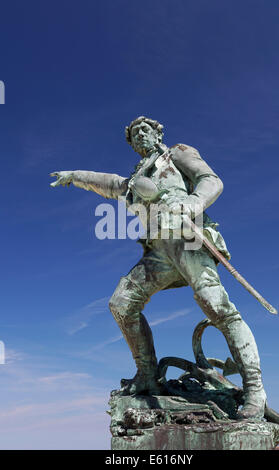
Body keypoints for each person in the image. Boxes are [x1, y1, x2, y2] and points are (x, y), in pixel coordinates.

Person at [50, 116, 266, 420]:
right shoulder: (135, 178)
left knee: (216, 306)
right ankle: (148, 375)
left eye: (145, 129)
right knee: (122, 304)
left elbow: (211, 180)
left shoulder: (176, 153)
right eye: (134, 133)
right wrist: (74, 175)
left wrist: (193, 203)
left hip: (188, 236)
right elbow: (111, 183)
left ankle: (255, 389)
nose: (140, 134)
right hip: (159, 251)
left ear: (157, 133)